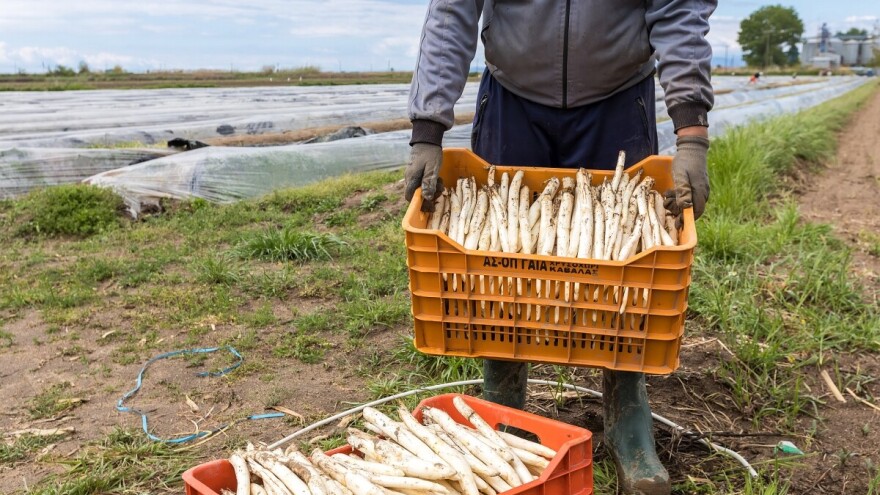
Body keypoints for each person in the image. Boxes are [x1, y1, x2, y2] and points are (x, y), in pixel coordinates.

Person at [403, 2, 714, 493]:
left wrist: (691, 133)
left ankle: (627, 417)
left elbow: (677, 9)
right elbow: (452, 10)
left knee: (627, 264)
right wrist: (428, 127)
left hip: (617, 98)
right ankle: (502, 407)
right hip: (512, 98)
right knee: (499, 260)